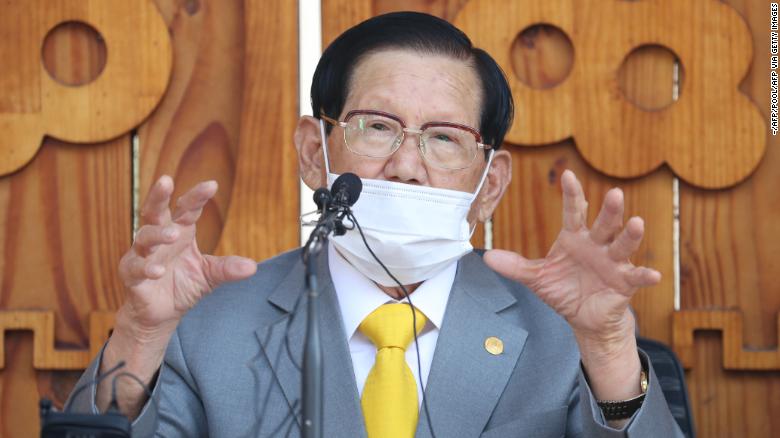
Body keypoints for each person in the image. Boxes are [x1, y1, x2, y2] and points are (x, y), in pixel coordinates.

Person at [67, 11, 683, 437]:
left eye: (444, 138)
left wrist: (605, 350)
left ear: (489, 183)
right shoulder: (207, 326)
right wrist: (141, 336)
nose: (406, 166)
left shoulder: (563, 336)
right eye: (378, 126)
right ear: (316, 152)